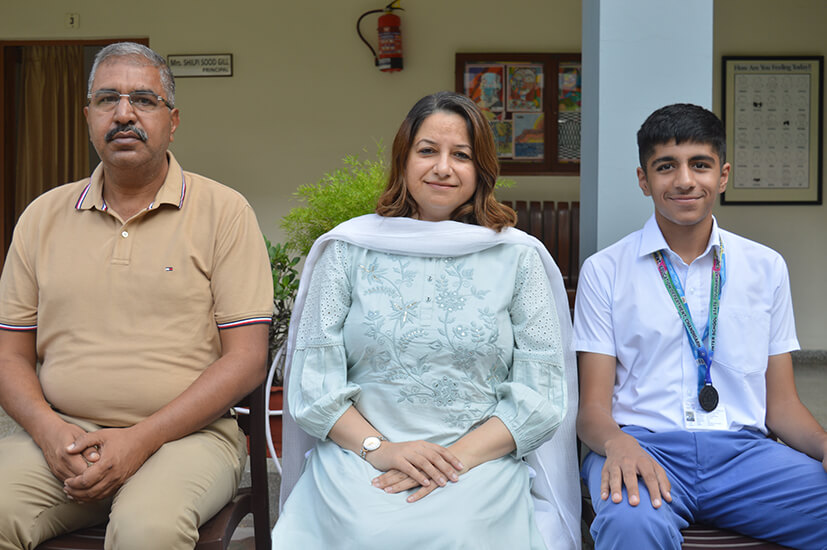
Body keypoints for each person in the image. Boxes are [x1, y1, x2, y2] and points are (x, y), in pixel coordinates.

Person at [272, 91, 581, 549]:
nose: (443, 167)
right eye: (427, 151)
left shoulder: (518, 258)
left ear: (482, 171)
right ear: (403, 160)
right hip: (361, 459)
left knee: (460, 534)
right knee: (363, 532)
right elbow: (313, 385)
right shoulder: (348, 249)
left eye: (461, 155)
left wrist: (451, 460)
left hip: (478, 463)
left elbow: (542, 398)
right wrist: (384, 450)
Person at [0, 42, 273, 550]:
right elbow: (9, 354)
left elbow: (247, 361)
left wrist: (139, 439)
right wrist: (48, 431)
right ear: (87, 116)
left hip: (187, 440)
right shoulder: (41, 217)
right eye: (108, 99)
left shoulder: (224, 213)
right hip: (64, 437)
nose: (124, 113)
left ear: (172, 120)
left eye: (143, 100)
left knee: (147, 531)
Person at [574, 103, 827, 549]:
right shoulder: (604, 270)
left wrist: (825, 446)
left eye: (701, 165)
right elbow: (593, 410)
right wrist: (617, 445)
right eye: (666, 166)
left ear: (723, 175)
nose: (685, 180)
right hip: (642, 446)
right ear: (643, 179)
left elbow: (782, 406)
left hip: (746, 456)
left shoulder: (765, 267)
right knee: (632, 526)